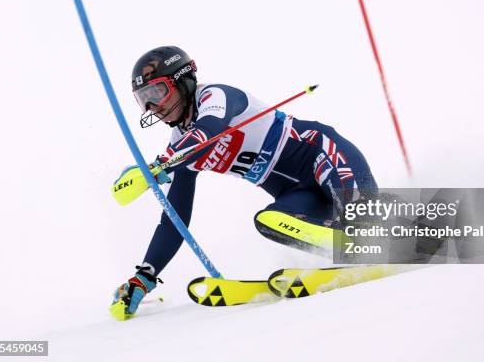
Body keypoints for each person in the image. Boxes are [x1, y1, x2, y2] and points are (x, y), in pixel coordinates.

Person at [111, 46, 378, 318]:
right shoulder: (179, 149)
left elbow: (208, 132)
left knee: (362, 220)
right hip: (299, 194)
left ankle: (383, 236)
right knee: (269, 221)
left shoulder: (215, 97)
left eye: (157, 93)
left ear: (182, 80)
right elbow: (174, 220)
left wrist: (158, 165)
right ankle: (360, 248)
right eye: (143, 99)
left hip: (325, 157)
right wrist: (144, 277)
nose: (152, 107)